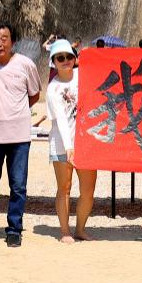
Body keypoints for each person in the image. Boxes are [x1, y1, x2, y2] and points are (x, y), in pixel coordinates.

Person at [0, 21, 40, 249]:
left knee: (18, 186)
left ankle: (14, 229)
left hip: (19, 136)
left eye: (4, 38)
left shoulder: (26, 64)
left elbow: (33, 95)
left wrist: (16, 112)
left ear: (13, 41)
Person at [43, 39, 96, 243]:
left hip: (87, 142)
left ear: (75, 58)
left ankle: (80, 229)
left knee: (88, 190)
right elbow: (61, 120)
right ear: (53, 61)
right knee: (64, 187)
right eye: (60, 58)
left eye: (68, 56)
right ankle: (65, 231)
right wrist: (69, 147)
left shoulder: (84, 76)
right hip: (61, 143)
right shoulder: (52, 88)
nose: (65, 61)